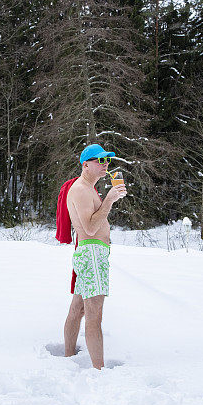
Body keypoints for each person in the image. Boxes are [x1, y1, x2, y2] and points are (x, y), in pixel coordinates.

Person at [62, 144, 126, 369]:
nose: (105, 164)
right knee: (94, 314)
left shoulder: (87, 189)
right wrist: (109, 200)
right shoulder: (81, 189)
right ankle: (99, 371)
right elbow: (89, 228)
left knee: (78, 309)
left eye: (107, 160)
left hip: (91, 253)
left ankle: (68, 357)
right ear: (85, 164)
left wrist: (110, 199)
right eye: (99, 161)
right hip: (92, 253)